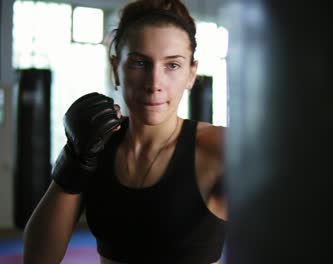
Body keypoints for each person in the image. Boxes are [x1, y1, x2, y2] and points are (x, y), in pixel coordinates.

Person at [23, 0, 227, 263]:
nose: (154, 83)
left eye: (172, 65)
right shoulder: (96, 147)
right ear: (116, 69)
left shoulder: (218, 148)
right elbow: (38, 258)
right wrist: (75, 158)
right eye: (140, 63)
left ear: (192, 73)